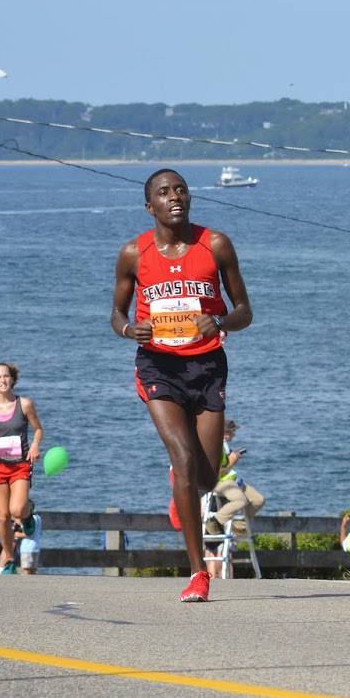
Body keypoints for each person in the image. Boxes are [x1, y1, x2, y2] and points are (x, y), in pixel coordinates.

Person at [110, 168, 253, 603]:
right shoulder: (134, 253)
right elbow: (116, 313)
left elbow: (245, 309)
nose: (175, 197)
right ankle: (197, 573)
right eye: (164, 193)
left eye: (181, 190)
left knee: (207, 478)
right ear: (149, 205)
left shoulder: (215, 245)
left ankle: (190, 476)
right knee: (183, 458)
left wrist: (222, 320)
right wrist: (127, 330)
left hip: (208, 368)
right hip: (158, 368)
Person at [0, 362, 45, 574]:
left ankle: (27, 514)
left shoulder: (24, 404)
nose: (3, 380)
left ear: (12, 379)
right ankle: (8, 556)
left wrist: (34, 444)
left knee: (16, 510)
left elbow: (38, 429)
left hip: (20, 465)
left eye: (6, 376)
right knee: (3, 516)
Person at [207, 418, 265, 535]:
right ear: (224, 432)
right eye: (231, 431)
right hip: (220, 482)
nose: (234, 434)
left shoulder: (225, 446)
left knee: (259, 500)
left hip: (231, 479)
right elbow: (215, 474)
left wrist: (231, 460)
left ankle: (239, 526)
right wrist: (231, 463)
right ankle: (214, 521)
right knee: (240, 501)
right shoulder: (214, 447)